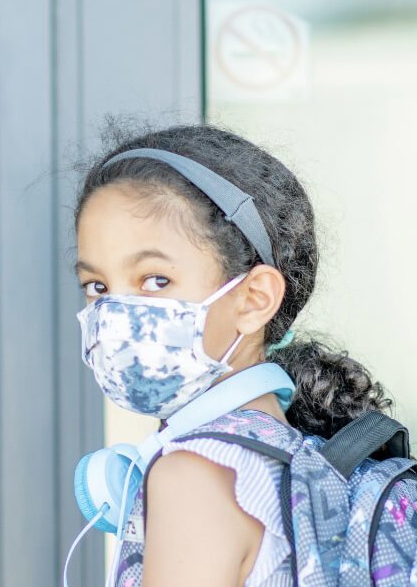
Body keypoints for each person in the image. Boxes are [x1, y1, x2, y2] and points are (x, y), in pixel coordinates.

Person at [71, 125, 393, 585]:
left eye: (155, 280)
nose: (115, 312)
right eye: (97, 287)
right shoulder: (298, 461)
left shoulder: (194, 477)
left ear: (254, 299)